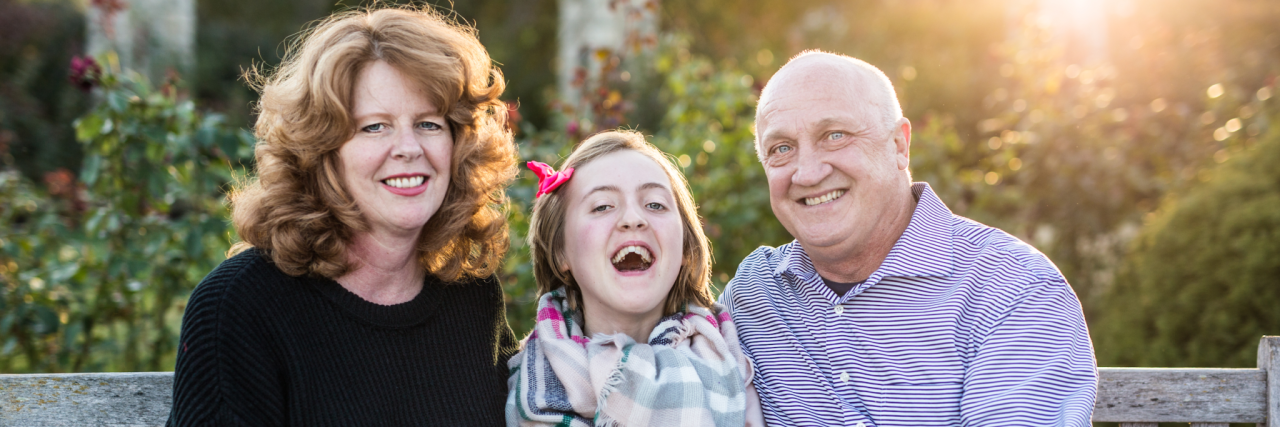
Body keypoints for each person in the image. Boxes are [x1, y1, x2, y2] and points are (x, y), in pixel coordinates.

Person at [167, 7, 519, 426]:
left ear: (459, 146)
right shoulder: (239, 307)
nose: (408, 148)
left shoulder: (471, 297)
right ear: (322, 152)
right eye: (374, 127)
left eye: (428, 124)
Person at [718, 51, 1098, 426]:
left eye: (835, 135)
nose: (809, 172)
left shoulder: (1014, 288)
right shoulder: (754, 295)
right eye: (781, 148)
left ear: (899, 146)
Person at [506, 130, 763, 426]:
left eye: (655, 204)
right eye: (602, 206)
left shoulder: (743, 368)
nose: (633, 218)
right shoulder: (505, 388)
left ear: (684, 249)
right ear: (560, 250)